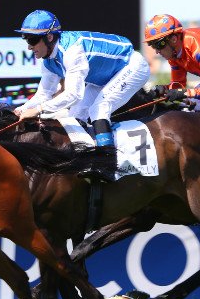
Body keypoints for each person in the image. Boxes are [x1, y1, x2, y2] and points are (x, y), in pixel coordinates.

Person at [13, 10, 151, 182]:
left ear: (49, 37)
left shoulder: (72, 51)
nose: (29, 47)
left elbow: (74, 95)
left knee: (98, 109)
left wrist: (38, 110)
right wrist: (21, 110)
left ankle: (108, 165)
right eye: (26, 39)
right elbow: (43, 94)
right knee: (75, 115)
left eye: (32, 40)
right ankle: (86, 159)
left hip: (132, 66)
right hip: (105, 77)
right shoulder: (48, 60)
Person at [144, 14, 200, 104]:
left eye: (159, 45)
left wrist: (186, 93)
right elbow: (178, 86)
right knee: (186, 107)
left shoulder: (195, 46)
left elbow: (182, 92)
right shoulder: (174, 56)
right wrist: (164, 89)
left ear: (174, 39)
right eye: (153, 46)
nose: (157, 51)